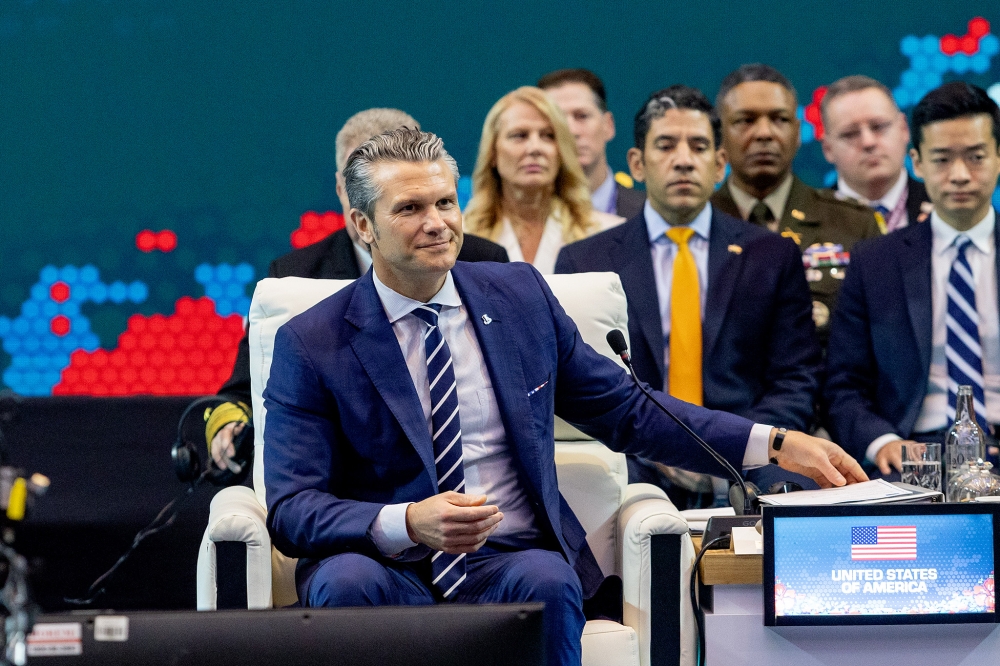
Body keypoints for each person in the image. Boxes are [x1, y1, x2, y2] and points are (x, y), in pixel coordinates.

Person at [262, 127, 867, 666]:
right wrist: (407, 522)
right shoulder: (312, 342)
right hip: (381, 565)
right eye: (410, 208)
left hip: (508, 559)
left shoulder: (518, 297)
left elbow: (629, 412)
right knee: (343, 584)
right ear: (362, 226)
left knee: (548, 580)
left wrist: (775, 444)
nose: (437, 222)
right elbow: (292, 508)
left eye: (446, 202)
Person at [556, 86, 821, 504]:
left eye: (698, 147)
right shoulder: (583, 260)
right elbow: (581, 390)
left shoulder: (771, 255)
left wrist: (740, 445)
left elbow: (796, 379)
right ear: (637, 164)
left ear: (719, 165)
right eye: (665, 146)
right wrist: (660, 444)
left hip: (751, 456)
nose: (683, 160)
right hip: (635, 457)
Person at [206, 108, 508, 470]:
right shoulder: (295, 276)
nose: (433, 223)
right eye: (357, 182)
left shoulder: (482, 262)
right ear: (340, 189)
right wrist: (229, 428)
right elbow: (244, 390)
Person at [824, 82, 1000, 476]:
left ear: (998, 157)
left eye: (975, 157)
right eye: (941, 159)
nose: (959, 175)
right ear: (917, 163)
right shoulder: (875, 263)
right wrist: (882, 441)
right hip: (915, 456)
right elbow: (843, 386)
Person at [710, 64, 881, 338]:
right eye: (746, 120)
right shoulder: (695, 225)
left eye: (779, 119)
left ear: (798, 132)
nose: (764, 133)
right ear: (719, 135)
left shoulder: (855, 225)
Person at [463, 86, 624, 274]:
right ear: (492, 153)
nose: (534, 148)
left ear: (562, 151)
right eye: (519, 135)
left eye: (548, 136)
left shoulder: (609, 234)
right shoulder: (458, 236)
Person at [820, 75, 932, 230]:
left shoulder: (944, 208)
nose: (868, 142)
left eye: (879, 127)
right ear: (828, 148)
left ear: (904, 129)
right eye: (850, 134)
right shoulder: (804, 221)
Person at [537, 68, 645, 219]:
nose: (571, 131)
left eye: (582, 116)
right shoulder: (521, 219)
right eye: (557, 119)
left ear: (608, 125)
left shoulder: (651, 214)